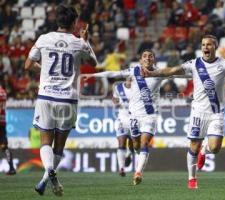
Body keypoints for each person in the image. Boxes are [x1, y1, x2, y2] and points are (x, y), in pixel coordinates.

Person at [141, 35, 225, 189]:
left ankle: (204, 149)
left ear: (215, 47)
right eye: (203, 44)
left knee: (215, 148)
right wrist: (152, 74)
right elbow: (172, 70)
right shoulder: (194, 64)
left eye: (209, 45)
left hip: (216, 112)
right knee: (193, 146)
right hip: (198, 112)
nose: (205, 47)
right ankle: (192, 179)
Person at [24, 4, 97, 196]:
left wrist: (45, 70)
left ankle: (47, 174)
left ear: (58, 21)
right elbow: (94, 63)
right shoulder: (78, 43)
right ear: (74, 23)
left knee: (45, 142)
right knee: (59, 145)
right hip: (67, 100)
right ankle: (46, 179)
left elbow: (27, 64)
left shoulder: (43, 38)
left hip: (46, 96)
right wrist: (85, 41)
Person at [85, 49, 163, 185]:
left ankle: (138, 173)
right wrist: (94, 75)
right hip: (133, 117)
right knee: (136, 145)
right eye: (145, 56)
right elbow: (113, 73)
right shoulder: (132, 72)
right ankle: (129, 156)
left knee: (144, 144)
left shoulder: (160, 73)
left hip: (150, 116)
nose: (148, 58)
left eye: (151, 56)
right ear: (140, 60)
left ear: (154, 60)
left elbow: (177, 73)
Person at [112, 78, 134, 177]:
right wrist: (115, 102)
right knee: (122, 143)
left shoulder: (138, 88)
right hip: (122, 119)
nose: (131, 82)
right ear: (126, 79)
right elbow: (115, 100)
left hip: (135, 120)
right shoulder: (118, 88)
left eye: (133, 80)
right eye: (130, 79)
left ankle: (129, 154)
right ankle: (121, 168)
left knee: (134, 145)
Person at [0, 79, 16, 175]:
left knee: (4, 146)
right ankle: (11, 168)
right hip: (2, 121)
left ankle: (11, 168)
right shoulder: (3, 92)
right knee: (4, 146)